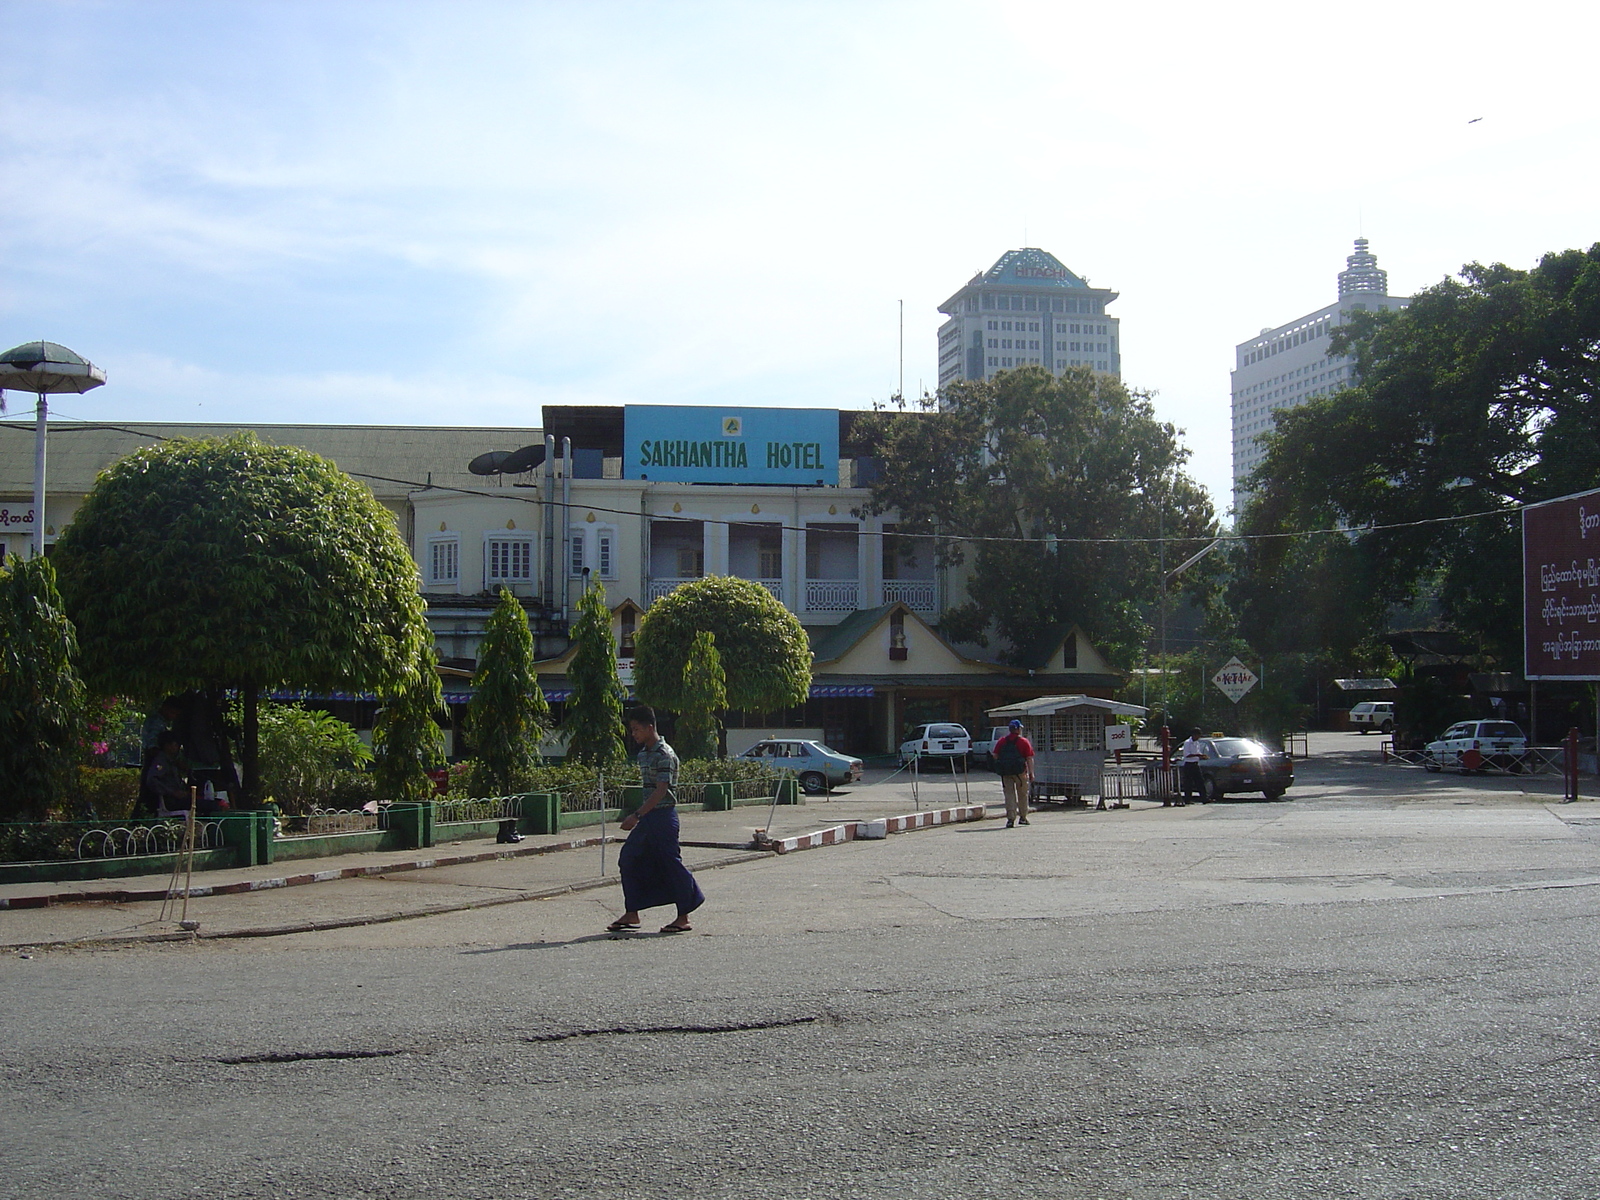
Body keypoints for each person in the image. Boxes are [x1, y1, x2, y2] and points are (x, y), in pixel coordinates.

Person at [606, 707, 705, 934]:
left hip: (662, 817)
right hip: (648, 817)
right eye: (632, 730)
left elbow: (661, 791)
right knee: (630, 859)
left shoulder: (665, 754)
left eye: (637, 729)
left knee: (670, 863)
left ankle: (684, 915)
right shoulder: (644, 754)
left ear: (650, 727)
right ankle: (632, 912)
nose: (634, 734)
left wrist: (636, 815)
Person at [992, 718, 1035, 828]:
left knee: (1009, 794)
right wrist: (1031, 773)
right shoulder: (1024, 742)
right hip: (1020, 772)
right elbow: (1029, 758)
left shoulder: (1002, 741)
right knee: (1022, 794)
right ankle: (1023, 817)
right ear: (1018, 729)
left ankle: (1010, 819)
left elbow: (995, 755)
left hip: (1006, 772)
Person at [144, 730, 193, 818]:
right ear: (167, 746)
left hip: (179, 799)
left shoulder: (172, 761)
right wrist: (172, 792)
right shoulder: (161, 761)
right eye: (175, 744)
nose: (177, 747)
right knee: (208, 805)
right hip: (171, 801)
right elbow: (152, 780)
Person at [1176, 728, 1206, 805]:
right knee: (1188, 783)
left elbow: (1197, 752)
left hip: (1195, 763)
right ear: (1193, 735)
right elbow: (1187, 754)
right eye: (1197, 735)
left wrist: (1201, 756)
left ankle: (1204, 798)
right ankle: (1187, 799)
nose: (1198, 737)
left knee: (1200, 781)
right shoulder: (1187, 743)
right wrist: (1197, 755)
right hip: (1189, 764)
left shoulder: (1197, 743)